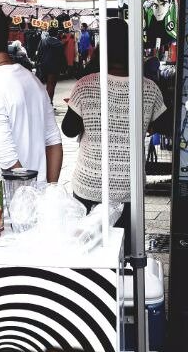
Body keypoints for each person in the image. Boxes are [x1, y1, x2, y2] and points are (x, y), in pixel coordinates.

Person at [62, 18, 169, 238]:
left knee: (88, 252)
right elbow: (165, 125)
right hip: (129, 186)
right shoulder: (148, 88)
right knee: (127, 251)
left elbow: (69, 130)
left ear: (103, 48)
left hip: (90, 182)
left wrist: (87, 115)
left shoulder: (85, 85)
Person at [0, 5, 62, 183]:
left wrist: (24, 197)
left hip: (10, 203)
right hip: (39, 199)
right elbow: (54, 141)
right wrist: (50, 191)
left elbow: (6, 155)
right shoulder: (34, 82)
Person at [36, 28, 66, 103]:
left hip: (43, 65)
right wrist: (64, 68)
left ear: (49, 33)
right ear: (57, 34)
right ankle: (49, 102)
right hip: (54, 66)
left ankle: (45, 102)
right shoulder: (59, 43)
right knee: (51, 85)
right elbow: (62, 57)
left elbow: (39, 53)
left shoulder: (43, 41)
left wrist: (38, 62)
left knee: (44, 84)